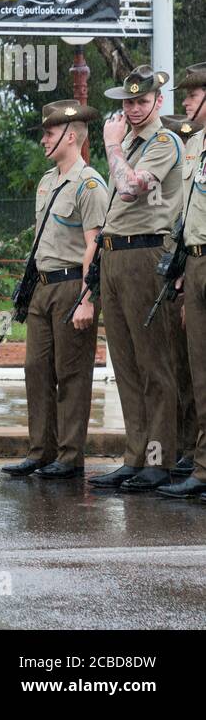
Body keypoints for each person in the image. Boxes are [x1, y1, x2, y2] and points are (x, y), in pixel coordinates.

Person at [89, 66, 184, 492]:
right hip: (114, 256)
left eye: (141, 101)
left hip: (147, 254)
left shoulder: (164, 142)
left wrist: (111, 146)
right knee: (125, 366)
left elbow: (130, 189)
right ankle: (135, 456)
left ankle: (159, 460)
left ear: (158, 103)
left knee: (154, 365)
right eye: (128, 102)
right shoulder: (127, 142)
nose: (133, 108)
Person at [1, 100, 106, 481]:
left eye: (49, 133)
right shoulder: (47, 182)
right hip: (43, 287)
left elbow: (94, 246)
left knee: (72, 371)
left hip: (70, 286)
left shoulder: (90, 183)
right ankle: (40, 451)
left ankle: (70, 455)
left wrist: (87, 298)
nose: (44, 139)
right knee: (37, 369)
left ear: (71, 136)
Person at [159, 63, 206, 499]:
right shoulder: (196, 151)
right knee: (194, 369)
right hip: (190, 263)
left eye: (192, 95)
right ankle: (196, 462)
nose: (186, 102)